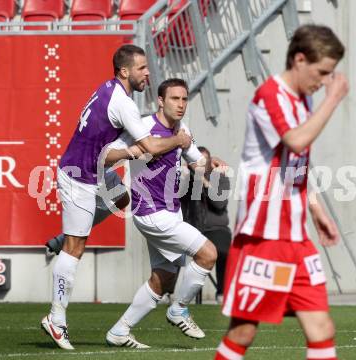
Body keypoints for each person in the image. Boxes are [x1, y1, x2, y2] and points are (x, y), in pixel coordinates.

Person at [41, 45, 191, 350]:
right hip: (79, 175)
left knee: (124, 200)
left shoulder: (108, 89)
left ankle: (62, 239)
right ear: (125, 71)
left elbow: (120, 144)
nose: (148, 73)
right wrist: (179, 140)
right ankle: (55, 319)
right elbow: (150, 145)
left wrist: (125, 152)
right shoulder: (124, 104)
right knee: (75, 248)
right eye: (142, 68)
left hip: (96, 170)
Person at [214, 24, 349, 360]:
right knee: (243, 332)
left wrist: (316, 211)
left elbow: (295, 163)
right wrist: (332, 100)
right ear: (299, 59)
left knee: (322, 329)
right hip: (264, 237)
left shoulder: (303, 98)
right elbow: (296, 140)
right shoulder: (269, 95)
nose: (323, 81)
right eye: (321, 72)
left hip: (296, 237)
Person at [104, 78, 225, 348]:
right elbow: (108, 155)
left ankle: (119, 331)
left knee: (164, 277)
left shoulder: (182, 129)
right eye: (174, 99)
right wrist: (133, 152)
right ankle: (179, 308)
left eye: (184, 99)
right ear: (160, 100)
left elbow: (197, 162)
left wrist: (211, 163)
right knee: (208, 254)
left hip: (171, 212)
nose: (181, 104)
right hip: (150, 212)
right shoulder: (144, 126)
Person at [181, 146, 232, 303]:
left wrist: (203, 181)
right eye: (196, 162)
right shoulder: (186, 179)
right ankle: (167, 292)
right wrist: (186, 176)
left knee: (224, 251)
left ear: (210, 162)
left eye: (204, 161)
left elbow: (219, 204)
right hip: (192, 228)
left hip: (216, 229)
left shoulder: (220, 178)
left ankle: (222, 293)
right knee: (171, 251)